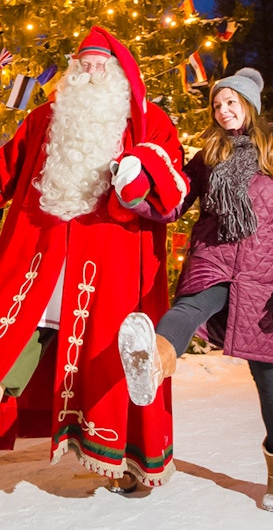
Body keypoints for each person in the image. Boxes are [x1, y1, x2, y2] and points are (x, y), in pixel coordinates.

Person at [0, 26, 189, 492]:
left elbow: (175, 192)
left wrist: (140, 174)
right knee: (14, 345)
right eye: (83, 63)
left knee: (113, 363)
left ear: (119, 70)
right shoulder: (45, 117)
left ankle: (129, 461)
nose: (90, 70)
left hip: (111, 268)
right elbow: (7, 165)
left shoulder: (148, 124)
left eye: (99, 63)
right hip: (40, 257)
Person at [116, 67, 273, 511]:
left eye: (231, 103)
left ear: (249, 105)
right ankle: (152, 362)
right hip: (214, 255)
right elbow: (175, 198)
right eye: (217, 105)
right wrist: (136, 192)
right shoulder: (209, 154)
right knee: (188, 306)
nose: (223, 111)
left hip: (265, 272)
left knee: (269, 378)